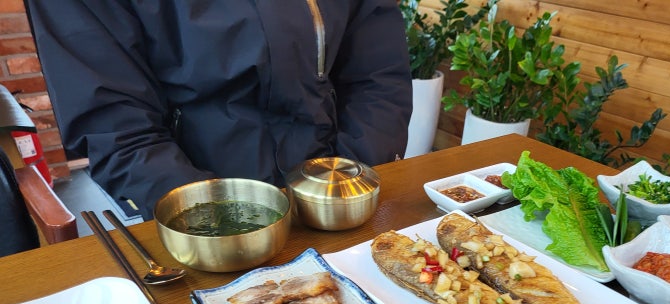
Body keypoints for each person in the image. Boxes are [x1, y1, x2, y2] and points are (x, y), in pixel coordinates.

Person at [25, 0, 413, 220]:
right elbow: (113, 123)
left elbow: (377, 76)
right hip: (195, 207)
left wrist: (348, 181)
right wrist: (213, 219)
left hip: (334, 188)